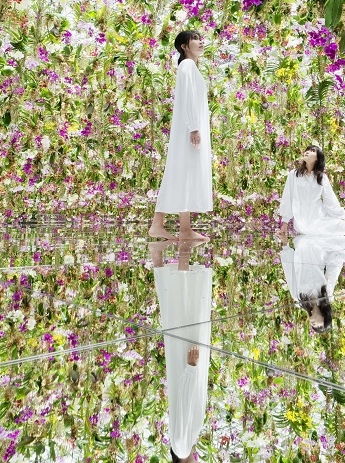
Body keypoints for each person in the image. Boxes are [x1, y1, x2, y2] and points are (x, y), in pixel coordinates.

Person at [150, 30, 213, 242]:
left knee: (184, 173)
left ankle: (183, 228)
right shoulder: (187, 66)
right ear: (184, 46)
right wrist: (194, 127)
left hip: (189, 128)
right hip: (189, 129)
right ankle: (160, 224)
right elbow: (187, 98)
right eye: (195, 39)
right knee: (180, 172)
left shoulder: (191, 67)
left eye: (200, 38)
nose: (200, 41)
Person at [154, 252, 212, 462]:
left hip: (188, 365)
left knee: (187, 315)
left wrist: (191, 368)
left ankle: (183, 251)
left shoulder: (182, 448)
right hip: (189, 368)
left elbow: (184, 405)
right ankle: (159, 258)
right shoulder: (183, 446)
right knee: (182, 316)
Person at [280, 233, 345, 333]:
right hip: (318, 245)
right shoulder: (326, 294)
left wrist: (285, 244)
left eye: (315, 328)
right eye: (320, 326)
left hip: (301, 244)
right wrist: (342, 247)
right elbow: (333, 268)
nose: (315, 326)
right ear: (324, 317)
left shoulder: (299, 298)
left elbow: (290, 272)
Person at [275, 145, 345, 239]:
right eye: (307, 150)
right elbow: (287, 197)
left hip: (321, 215)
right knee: (343, 227)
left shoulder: (321, 177)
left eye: (312, 150)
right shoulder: (294, 174)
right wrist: (284, 222)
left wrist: (341, 216)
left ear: (317, 158)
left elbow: (329, 199)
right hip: (303, 221)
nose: (307, 152)